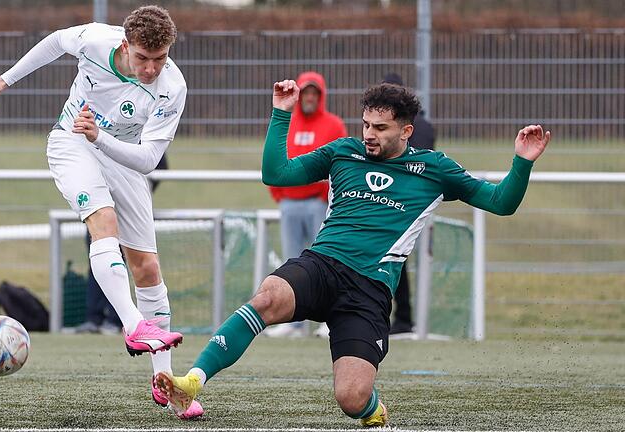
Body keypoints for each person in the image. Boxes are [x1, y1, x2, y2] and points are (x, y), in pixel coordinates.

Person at [155, 81, 550, 427]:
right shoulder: (343, 152)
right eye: (366, 125)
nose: (369, 134)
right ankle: (193, 381)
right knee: (267, 297)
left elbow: (501, 203)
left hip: (369, 291)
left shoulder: (434, 170)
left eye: (380, 128)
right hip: (323, 264)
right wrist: (281, 115)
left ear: (406, 130)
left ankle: (372, 409)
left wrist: (522, 162)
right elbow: (277, 174)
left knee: (351, 398)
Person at [0, 6, 203, 418]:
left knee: (147, 268)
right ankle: (133, 326)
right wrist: (4, 80)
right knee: (103, 224)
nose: (151, 69)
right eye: (143, 58)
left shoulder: (173, 86)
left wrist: (102, 137)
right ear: (125, 45)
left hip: (123, 157)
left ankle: (164, 383)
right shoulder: (95, 39)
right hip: (71, 142)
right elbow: (56, 42)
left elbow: (148, 158)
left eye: (160, 58)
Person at [265, 71, 346, 338]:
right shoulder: (289, 121)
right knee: (293, 262)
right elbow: (276, 156)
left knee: (327, 261)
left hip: (318, 205)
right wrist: (280, 195)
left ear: (321, 96)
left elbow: (341, 164)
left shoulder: (333, 125)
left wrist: (325, 199)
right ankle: (293, 321)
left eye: (315, 93)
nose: (310, 98)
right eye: (306, 93)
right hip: (290, 204)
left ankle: (329, 320)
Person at [75, 154, 168, 336]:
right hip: (101, 203)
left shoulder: (139, 133)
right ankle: (94, 317)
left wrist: (136, 192)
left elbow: (158, 164)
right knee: (98, 258)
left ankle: (119, 320)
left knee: (134, 264)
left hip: (128, 208)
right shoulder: (99, 134)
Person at [381, 73, 436, 335]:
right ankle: (404, 318)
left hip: (398, 204)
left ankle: (402, 318)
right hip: (420, 203)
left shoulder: (418, 127)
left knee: (392, 259)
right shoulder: (425, 124)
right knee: (398, 260)